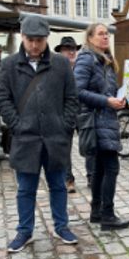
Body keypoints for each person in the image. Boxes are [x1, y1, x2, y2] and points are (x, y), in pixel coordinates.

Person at [0, 16, 80, 253]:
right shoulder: (10, 65)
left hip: (56, 137)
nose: (34, 45)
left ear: (46, 39)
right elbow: (3, 98)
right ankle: (24, 231)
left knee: (58, 185)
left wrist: (65, 126)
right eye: (30, 40)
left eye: (39, 40)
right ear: (22, 37)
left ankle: (61, 226)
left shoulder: (61, 64)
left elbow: (71, 98)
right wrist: (17, 125)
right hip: (25, 139)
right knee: (25, 188)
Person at [73, 23, 129, 231]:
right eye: (100, 34)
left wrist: (118, 100)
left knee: (98, 169)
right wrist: (107, 102)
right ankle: (107, 214)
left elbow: (108, 91)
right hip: (95, 121)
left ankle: (97, 212)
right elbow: (77, 91)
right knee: (111, 168)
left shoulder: (106, 61)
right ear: (89, 38)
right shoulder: (86, 59)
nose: (105, 37)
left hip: (106, 120)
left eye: (107, 34)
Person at [53, 35, 81, 194]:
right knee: (66, 149)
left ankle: (92, 176)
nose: (71, 52)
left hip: (82, 112)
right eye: (67, 50)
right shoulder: (57, 70)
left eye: (73, 49)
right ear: (61, 52)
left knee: (89, 147)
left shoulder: (81, 67)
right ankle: (68, 179)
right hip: (66, 113)